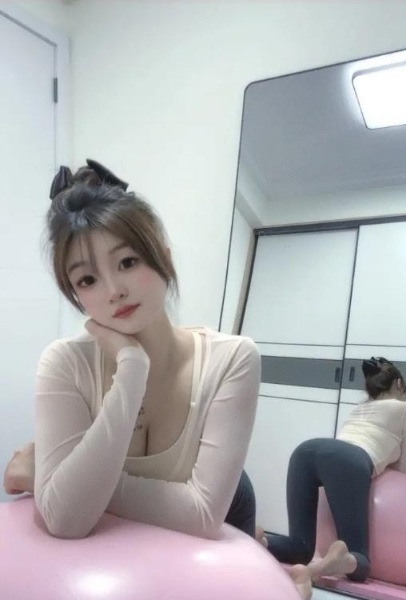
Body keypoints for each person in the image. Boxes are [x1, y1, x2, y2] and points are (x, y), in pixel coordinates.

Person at [3, 159, 261, 541]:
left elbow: (205, 514)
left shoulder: (233, 359)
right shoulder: (65, 363)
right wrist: (131, 368)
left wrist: (51, 478)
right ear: (75, 294)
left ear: (164, 258)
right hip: (142, 550)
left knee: (261, 559)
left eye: (127, 262)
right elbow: (65, 519)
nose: (114, 291)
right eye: (87, 279)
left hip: (232, 502)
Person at [257, 356, 406, 588]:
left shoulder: (359, 409)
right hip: (348, 461)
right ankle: (325, 566)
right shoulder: (405, 408)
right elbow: (405, 468)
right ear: (400, 384)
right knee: (360, 562)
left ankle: (260, 541)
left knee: (300, 547)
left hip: (306, 452)